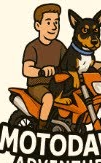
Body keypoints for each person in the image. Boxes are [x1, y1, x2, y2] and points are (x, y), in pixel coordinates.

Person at [22, 4, 65, 132]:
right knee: (48, 98)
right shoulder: (32, 47)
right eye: (48, 22)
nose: (53, 26)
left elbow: (73, 61)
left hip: (56, 84)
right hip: (38, 85)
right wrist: (41, 71)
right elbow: (26, 69)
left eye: (56, 22)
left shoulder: (59, 46)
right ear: (38, 26)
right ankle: (41, 128)